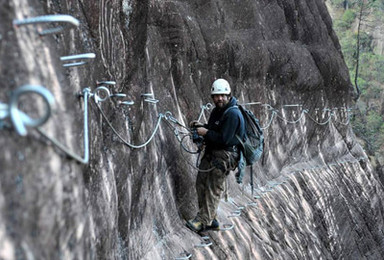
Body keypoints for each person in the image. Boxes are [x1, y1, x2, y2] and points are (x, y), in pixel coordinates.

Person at [186, 78, 245, 233]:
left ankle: (203, 221)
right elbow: (213, 129)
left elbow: (224, 139)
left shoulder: (233, 114)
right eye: (216, 96)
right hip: (213, 152)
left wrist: (205, 132)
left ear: (228, 95)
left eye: (222, 95)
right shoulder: (217, 111)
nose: (219, 98)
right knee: (201, 184)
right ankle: (208, 218)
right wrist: (201, 127)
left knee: (214, 187)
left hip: (225, 156)